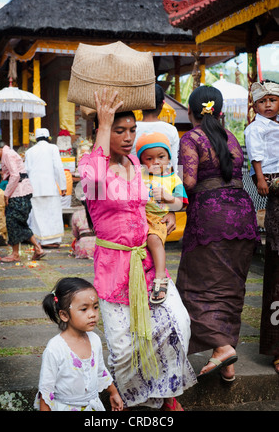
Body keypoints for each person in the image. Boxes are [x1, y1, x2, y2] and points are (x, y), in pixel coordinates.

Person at [79, 89, 196, 411]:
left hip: (147, 263)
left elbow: (148, 200)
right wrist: (104, 123)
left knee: (177, 325)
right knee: (122, 347)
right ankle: (130, 402)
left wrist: (168, 209)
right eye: (120, 130)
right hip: (113, 266)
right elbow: (97, 182)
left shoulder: (134, 162)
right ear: (103, 132)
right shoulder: (90, 166)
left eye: (132, 129)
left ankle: (164, 393)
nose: (129, 137)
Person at [176, 86, 260, 382]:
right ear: (219, 111)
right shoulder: (230, 137)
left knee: (194, 287)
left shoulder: (191, 138)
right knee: (230, 288)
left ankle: (222, 347)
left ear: (191, 111)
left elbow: (189, 181)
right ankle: (227, 361)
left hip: (210, 219)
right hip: (242, 217)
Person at [34, 277, 123, 411]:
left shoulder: (95, 340)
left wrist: (113, 392)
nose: (92, 314)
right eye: (84, 309)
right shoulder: (55, 348)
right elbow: (46, 391)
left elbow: (100, 371)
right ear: (64, 315)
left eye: (95, 307)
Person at [244, 80, 279, 373]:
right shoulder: (255, 128)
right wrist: (260, 178)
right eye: (263, 101)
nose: (268, 105)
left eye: (273, 100)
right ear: (255, 106)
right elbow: (256, 155)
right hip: (269, 178)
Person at [136, 132, 188, 303]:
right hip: (139, 217)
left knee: (153, 239)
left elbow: (182, 204)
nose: (156, 162)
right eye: (149, 158)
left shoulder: (173, 179)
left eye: (161, 157)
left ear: (168, 158)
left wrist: (168, 198)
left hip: (159, 217)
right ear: (141, 161)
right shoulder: (138, 176)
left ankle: (160, 277)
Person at [0, 141, 45, 262]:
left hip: (19, 192)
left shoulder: (7, 154)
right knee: (18, 222)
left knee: (13, 221)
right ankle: (37, 249)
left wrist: (6, 193)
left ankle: (16, 254)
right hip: (22, 191)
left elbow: (15, 175)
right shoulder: (9, 153)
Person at [25, 128, 67, 249]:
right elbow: (58, 167)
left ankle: (41, 240)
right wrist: (63, 186)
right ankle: (54, 240)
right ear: (48, 137)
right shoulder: (53, 148)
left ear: (36, 138)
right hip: (50, 187)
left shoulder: (30, 151)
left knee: (38, 215)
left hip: (35, 188)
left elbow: (26, 170)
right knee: (53, 214)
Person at [131, 84, 179, 173]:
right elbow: (174, 165)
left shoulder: (131, 129)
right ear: (162, 105)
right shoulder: (171, 130)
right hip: (164, 183)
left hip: (135, 180)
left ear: (141, 105)